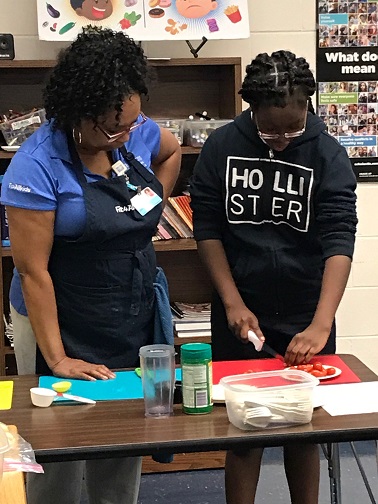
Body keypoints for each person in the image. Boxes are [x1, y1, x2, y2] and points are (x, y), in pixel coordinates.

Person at [0, 27, 181, 504]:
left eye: (131, 124)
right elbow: (32, 272)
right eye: (111, 128)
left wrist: (151, 204)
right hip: (58, 311)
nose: (124, 136)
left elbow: (172, 149)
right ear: (77, 110)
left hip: (128, 306)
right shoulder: (36, 164)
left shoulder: (134, 129)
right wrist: (58, 358)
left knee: (123, 436)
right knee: (58, 444)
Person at [190, 50, 357, 504]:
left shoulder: (326, 152)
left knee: (301, 430)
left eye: (293, 128)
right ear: (251, 109)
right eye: (270, 129)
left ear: (308, 107)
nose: (282, 138)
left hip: (308, 309)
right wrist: (231, 303)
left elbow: (340, 238)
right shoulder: (223, 146)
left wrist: (322, 323)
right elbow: (207, 227)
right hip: (242, 308)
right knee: (244, 430)